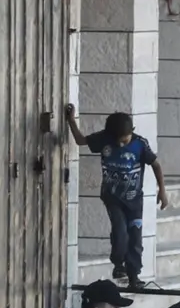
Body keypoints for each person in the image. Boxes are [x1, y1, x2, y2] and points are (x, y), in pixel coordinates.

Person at [64, 105, 168, 289]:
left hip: (134, 200)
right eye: (117, 140)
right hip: (112, 198)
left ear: (132, 132)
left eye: (124, 140)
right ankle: (118, 264)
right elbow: (80, 140)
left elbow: (156, 165)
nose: (121, 144)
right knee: (120, 233)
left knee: (135, 237)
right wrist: (71, 120)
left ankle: (134, 275)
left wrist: (162, 190)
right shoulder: (104, 140)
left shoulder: (140, 144)